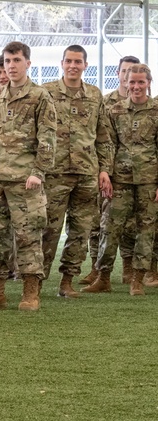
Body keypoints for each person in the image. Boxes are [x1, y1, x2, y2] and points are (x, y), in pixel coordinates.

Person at [0, 41, 57, 310]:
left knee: (28, 236)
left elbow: (47, 139)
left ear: (28, 63)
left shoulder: (40, 97)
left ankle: (31, 292)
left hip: (25, 180)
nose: (11, 66)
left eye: (17, 61)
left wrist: (38, 172)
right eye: (7, 61)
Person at [40, 45, 110, 298]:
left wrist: (105, 170)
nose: (73, 65)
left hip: (86, 173)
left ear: (85, 66)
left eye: (78, 62)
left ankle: (67, 282)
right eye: (69, 61)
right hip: (54, 174)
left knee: (80, 231)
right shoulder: (46, 92)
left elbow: (103, 135)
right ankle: (35, 283)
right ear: (62, 63)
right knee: (48, 230)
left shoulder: (94, 94)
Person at [83, 64, 156, 295]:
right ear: (124, 82)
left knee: (146, 230)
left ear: (148, 83)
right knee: (109, 227)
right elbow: (107, 144)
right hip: (119, 180)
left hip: (149, 180)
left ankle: (137, 278)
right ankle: (103, 277)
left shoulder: (156, 111)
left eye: (141, 82)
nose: (136, 86)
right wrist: (104, 172)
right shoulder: (114, 111)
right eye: (131, 82)